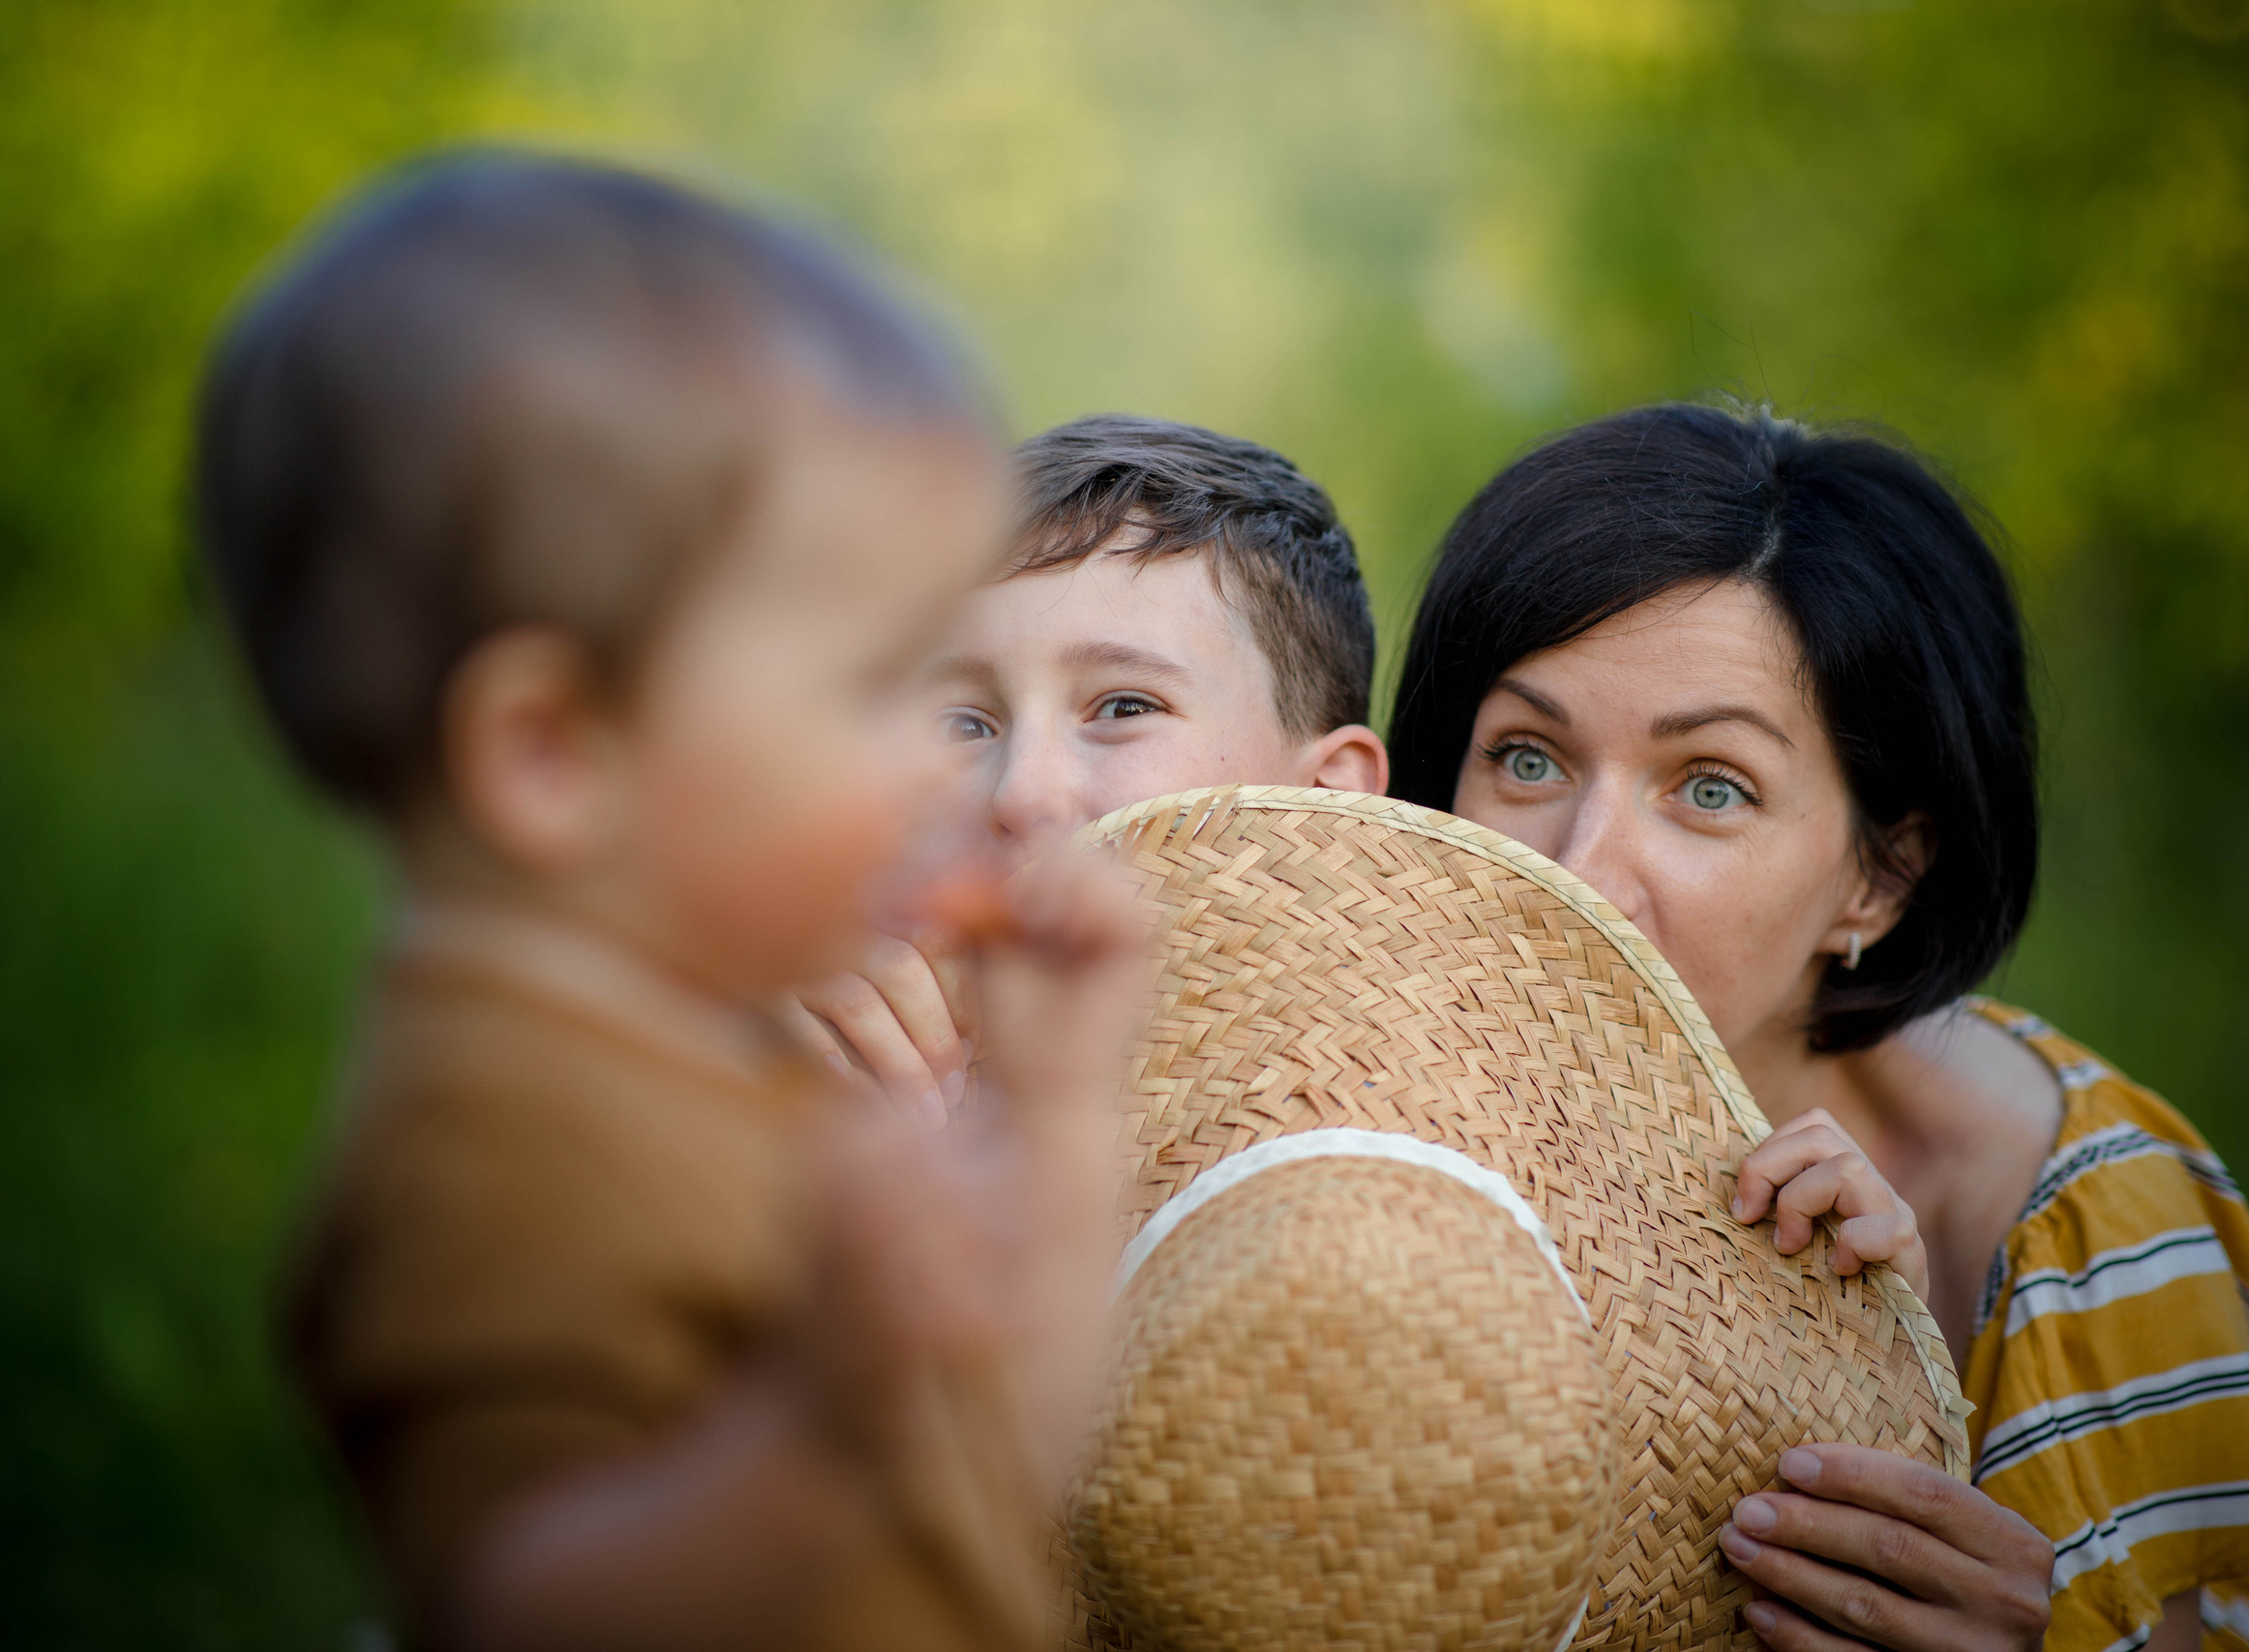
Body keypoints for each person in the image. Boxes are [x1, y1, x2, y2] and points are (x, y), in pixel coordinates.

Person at [195, 151, 1141, 1650]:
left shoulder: (734, 1059)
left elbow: (1002, 1485)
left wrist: (1063, 1107)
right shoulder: (497, 1136)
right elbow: (516, 1604)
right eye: (875, 684)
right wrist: (812, 1425)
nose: (938, 767)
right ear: (553, 750)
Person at [1386, 404, 2249, 1652]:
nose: (1583, 871)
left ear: (1879, 877)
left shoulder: (2060, 1208)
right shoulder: (1353, 1089)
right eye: (1528, 758)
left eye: (1710, 787)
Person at [791, 414, 1388, 1117]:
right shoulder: (806, 1075)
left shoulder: (1407, 1158)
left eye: (1125, 707)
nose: (1020, 792)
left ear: (1329, 793)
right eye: (963, 723)